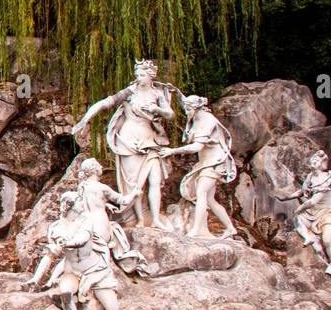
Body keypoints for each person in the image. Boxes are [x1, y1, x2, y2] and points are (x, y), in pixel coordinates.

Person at [71, 58, 176, 229]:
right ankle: (139, 219)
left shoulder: (157, 94)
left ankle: (156, 218)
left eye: (142, 74)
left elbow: (170, 115)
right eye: (137, 74)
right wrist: (84, 120)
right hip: (129, 141)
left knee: (155, 180)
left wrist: (158, 110)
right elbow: (104, 103)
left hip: (149, 141)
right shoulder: (130, 92)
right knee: (134, 184)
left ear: (151, 76)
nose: (138, 77)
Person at [27, 191, 121, 310]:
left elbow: (82, 239)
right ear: (69, 206)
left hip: (95, 270)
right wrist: (36, 278)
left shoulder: (86, 221)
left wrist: (67, 243)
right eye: (79, 200)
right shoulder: (56, 228)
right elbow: (50, 256)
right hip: (72, 272)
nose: (83, 202)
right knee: (66, 293)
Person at [159, 94, 237, 239]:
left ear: (196, 107)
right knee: (209, 199)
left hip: (215, 162)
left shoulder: (208, 120)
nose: (186, 111)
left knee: (201, 192)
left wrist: (172, 151)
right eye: (186, 108)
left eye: (188, 109)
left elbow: (196, 147)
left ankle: (198, 229)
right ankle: (230, 228)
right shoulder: (196, 118)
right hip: (206, 162)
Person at [274, 150, 331, 264]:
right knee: (297, 220)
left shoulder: (326, 179)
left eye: (317, 160)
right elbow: (303, 191)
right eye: (313, 160)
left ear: (322, 163)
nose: (313, 162)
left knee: (327, 240)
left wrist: (299, 209)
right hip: (314, 211)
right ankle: (310, 241)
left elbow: (313, 201)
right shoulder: (311, 176)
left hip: (329, 211)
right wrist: (286, 198)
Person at [76, 157, 148, 273]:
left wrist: (106, 205)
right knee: (115, 230)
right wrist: (134, 193)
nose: (101, 167)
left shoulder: (83, 187)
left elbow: (87, 205)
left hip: (87, 226)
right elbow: (123, 201)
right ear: (95, 170)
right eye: (99, 165)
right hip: (100, 225)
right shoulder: (102, 188)